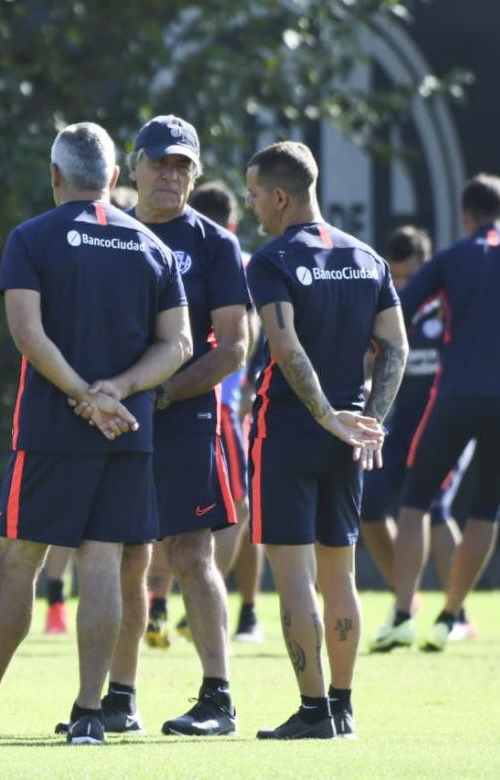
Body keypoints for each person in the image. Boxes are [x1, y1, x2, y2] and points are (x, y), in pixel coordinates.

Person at [0, 122, 190, 743]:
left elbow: (27, 335)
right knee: (103, 562)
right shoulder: (154, 247)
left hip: (49, 430)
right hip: (127, 429)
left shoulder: (31, 237)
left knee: (17, 564)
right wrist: (115, 391)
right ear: (115, 179)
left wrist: (82, 394)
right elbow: (179, 345)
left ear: (55, 176)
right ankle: (90, 715)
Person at [243, 141, 406, 739]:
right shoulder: (368, 259)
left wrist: (326, 417)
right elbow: (397, 347)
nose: (254, 206)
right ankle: (343, 707)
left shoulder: (272, 260)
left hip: (287, 432)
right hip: (348, 438)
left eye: (256, 194)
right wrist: (368, 422)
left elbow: (284, 350)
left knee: (293, 577)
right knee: (342, 576)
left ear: (281, 196)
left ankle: (313, 712)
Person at [112, 117, 250, 737]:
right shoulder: (106, 232)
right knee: (121, 557)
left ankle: (217, 699)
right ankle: (117, 698)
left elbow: (235, 347)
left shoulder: (215, 242)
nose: (170, 175)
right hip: (112, 417)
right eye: (160, 163)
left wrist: (162, 392)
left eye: (183, 167)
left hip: (186, 417)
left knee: (192, 554)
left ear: (194, 176)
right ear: (133, 166)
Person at [382, 173, 500, 652]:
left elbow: (401, 307)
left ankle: (400, 615)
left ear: (464, 215)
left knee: (416, 503)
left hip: (455, 396)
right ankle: (451, 615)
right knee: (486, 507)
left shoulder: (453, 258)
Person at [362, 226, 476, 648]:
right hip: (399, 419)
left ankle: (458, 614)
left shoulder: (450, 303)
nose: (406, 286)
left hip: (446, 417)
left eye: (413, 276)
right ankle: (405, 601)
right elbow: (368, 361)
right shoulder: (384, 306)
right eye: (399, 278)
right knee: (370, 503)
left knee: (436, 504)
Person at [190, 180, 265, 644]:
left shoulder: (239, 262)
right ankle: (243, 609)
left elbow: (253, 329)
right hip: (217, 404)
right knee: (237, 508)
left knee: (238, 507)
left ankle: (238, 607)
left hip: (226, 404)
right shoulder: (188, 258)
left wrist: (248, 384)